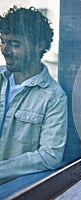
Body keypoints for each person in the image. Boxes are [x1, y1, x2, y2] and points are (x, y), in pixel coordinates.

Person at [0, 6, 67, 184]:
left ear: (39, 45)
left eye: (15, 44)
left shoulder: (53, 97)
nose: (5, 50)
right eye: (2, 41)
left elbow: (50, 156)